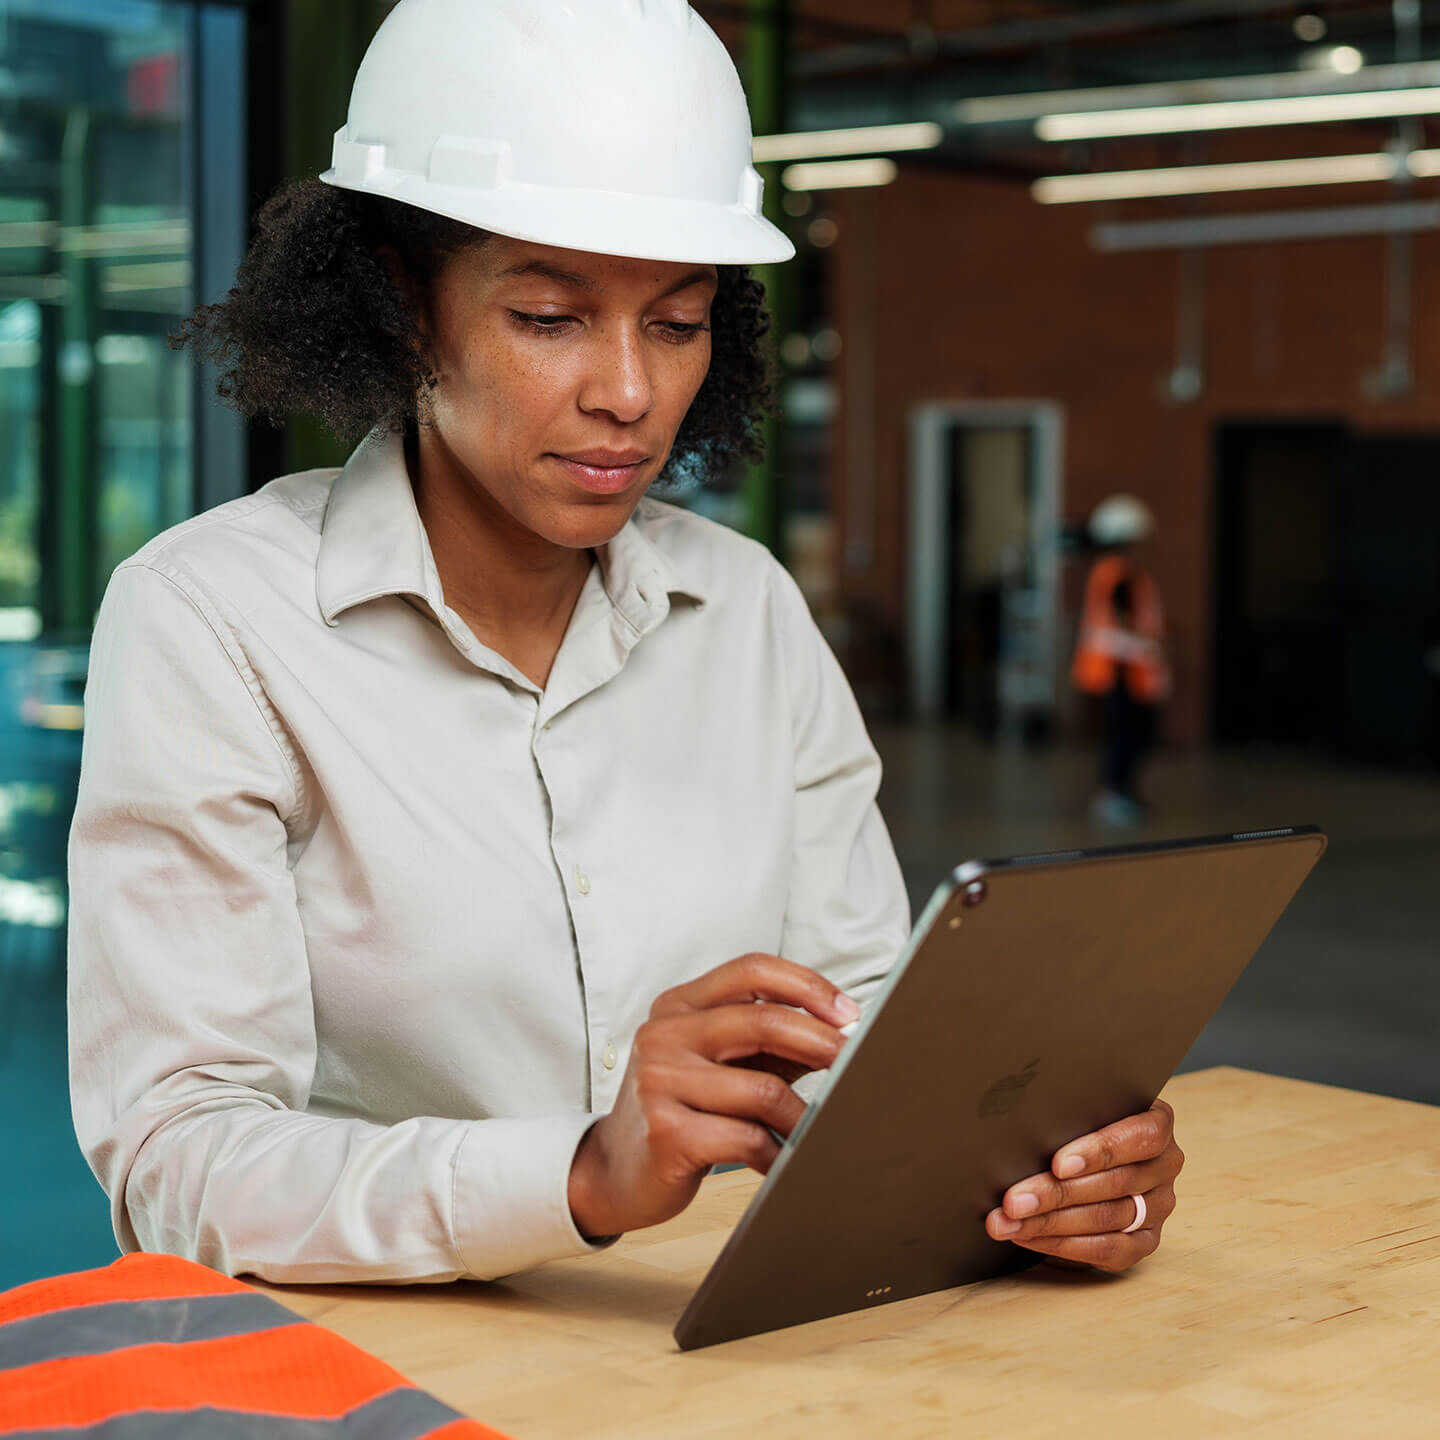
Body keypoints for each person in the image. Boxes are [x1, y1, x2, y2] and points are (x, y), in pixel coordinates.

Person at [68, 0, 1182, 1288]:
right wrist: (582, 1173)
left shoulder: (748, 611)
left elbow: (868, 1021)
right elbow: (178, 1162)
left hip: (704, 1354)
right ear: (401, 306)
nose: (631, 394)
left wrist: (1033, 1160)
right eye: (548, 318)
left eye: (675, 320)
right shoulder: (216, 622)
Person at [1072, 495, 1172, 828]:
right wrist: (1151, 647)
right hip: (1124, 671)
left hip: (1124, 670)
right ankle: (1114, 794)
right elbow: (1121, 621)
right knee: (1127, 736)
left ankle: (1121, 792)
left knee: (1128, 735)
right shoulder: (1119, 575)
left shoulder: (1111, 572)